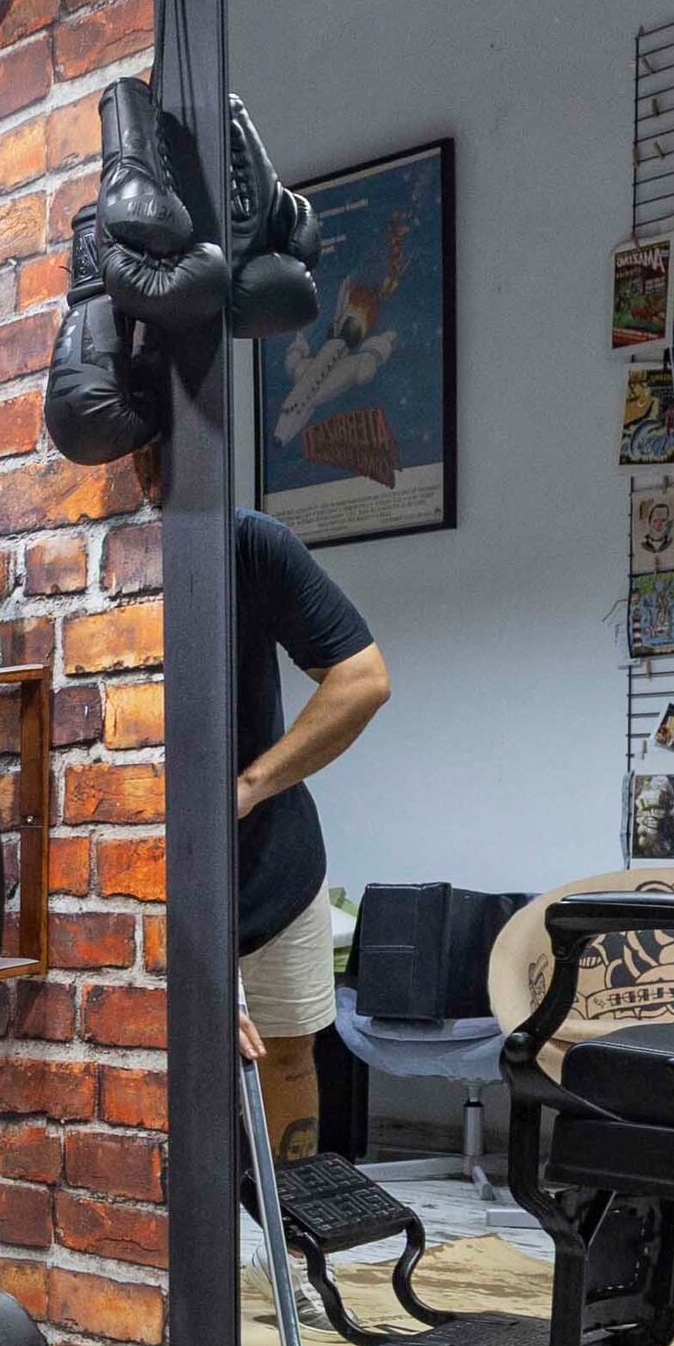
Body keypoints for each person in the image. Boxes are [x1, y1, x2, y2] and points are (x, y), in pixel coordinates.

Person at [145, 455, 390, 1159]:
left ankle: (285, 1217)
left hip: (274, 869)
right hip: (150, 873)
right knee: (168, 1063)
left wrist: (248, 787)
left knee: (283, 1055)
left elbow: (363, 679)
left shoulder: (248, 545)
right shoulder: (88, 567)